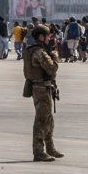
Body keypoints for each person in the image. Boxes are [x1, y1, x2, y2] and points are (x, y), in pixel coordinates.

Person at [23, 25, 62, 162]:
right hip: (41, 90)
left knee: (48, 120)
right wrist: (55, 58)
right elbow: (51, 68)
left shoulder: (36, 50)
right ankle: (39, 152)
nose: (50, 39)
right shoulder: (40, 52)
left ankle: (50, 148)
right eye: (48, 36)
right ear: (41, 37)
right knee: (41, 121)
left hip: (41, 88)